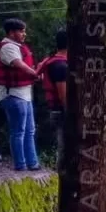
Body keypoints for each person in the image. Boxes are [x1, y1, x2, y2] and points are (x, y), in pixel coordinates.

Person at [0, 18, 40, 171]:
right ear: (11, 33)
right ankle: (20, 165)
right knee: (18, 132)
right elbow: (19, 65)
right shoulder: (8, 48)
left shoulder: (19, 47)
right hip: (12, 95)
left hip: (24, 94)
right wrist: (36, 74)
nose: (24, 34)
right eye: (21, 31)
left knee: (30, 130)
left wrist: (37, 72)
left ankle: (33, 163)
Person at [38, 29, 69, 171]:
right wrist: (72, 115)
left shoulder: (55, 62)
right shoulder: (60, 66)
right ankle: (61, 176)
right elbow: (63, 96)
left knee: (65, 147)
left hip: (57, 110)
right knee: (65, 148)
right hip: (61, 111)